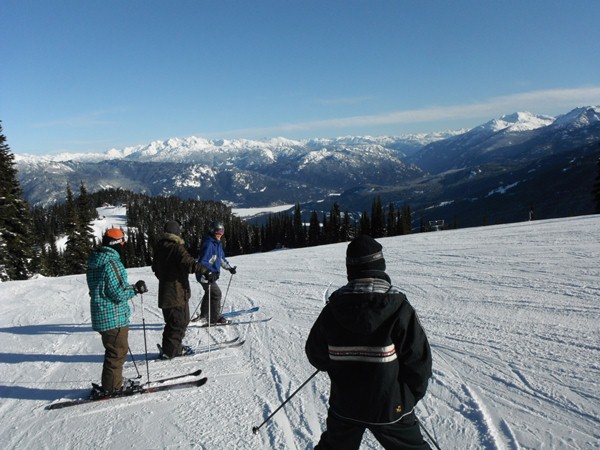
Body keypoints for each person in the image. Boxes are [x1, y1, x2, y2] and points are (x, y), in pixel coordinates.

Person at [305, 235, 433, 450]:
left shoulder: (333, 308)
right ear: (380, 265)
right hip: (390, 406)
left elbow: (316, 354)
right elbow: (419, 363)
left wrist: (338, 364)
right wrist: (408, 398)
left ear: (350, 269)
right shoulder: (399, 307)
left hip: (345, 406)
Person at [87, 228, 147, 395]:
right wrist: (135, 289)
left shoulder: (95, 261)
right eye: (122, 242)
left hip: (101, 314)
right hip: (113, 316)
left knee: (113, 350)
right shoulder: (111, 263)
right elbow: (118, 293)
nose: (123, 245)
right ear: (116, 243)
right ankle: (113, 387)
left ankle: (114, 381)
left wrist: (130, 288)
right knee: (117, 352)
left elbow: (104, 288)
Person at [152, 220, 207, 359]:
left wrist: (165, 276)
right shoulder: (176, 248)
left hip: (167, 291)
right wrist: (206, 271)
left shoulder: (160, 247)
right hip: (176, 292)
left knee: (175, 321)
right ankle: (172, 351)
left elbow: (155, 268)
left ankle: (171, 347)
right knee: (178, 322)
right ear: (176, 233)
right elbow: (189, 264)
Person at [196, 221, 237, 325]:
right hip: (204, 275)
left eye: (222, 231)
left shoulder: (217, 244)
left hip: (210, 275)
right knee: (216, 294)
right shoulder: (209, 244)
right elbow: (202, 262)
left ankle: (204, 316)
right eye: (218, 231)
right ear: (212, 231)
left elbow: (221, 259)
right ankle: (215, 318)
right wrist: (208, 273)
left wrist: (229, 268)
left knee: (209, 293)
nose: (220, 234)